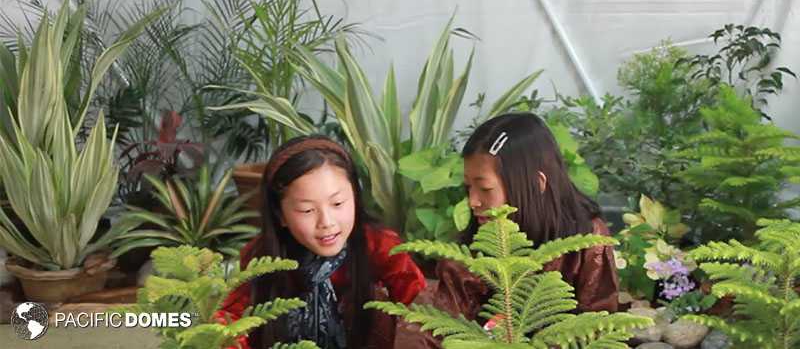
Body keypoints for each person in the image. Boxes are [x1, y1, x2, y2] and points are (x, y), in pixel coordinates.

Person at [397, 113, 619, 348]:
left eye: (484, 188)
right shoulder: (475, 249)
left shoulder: (585, 240)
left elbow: (597, 325)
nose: (473, 201)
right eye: (468, 187)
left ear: (536, 184)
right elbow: (433, 325)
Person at [216, 135, 426, 349]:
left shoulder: (379, 246)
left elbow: (422, 312)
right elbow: (228, 319)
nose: (326, 222)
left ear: (355, 197)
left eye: (337, 203)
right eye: (307, 210)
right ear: (280, 215)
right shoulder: (262, 257)